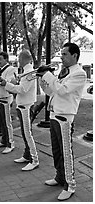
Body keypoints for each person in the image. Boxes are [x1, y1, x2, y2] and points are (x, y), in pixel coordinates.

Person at [37, 43, 87, 200]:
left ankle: (70, 184)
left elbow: (63, 90)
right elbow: (53, 92)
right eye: (61, 54)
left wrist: (47, 75)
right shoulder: (64, 72)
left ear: (75, 56)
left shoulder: (79, 73)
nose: (61, 57)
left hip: (65, 118)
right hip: (54, 114)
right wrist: (43, 83)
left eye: (64, 54)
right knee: (56, 150)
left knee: (66, 153)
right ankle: (60, 177)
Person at [0, 49, 39, 171]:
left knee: (28, 134)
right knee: (24, 133)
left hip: (26, 106)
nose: (18, 61)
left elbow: (22, 89)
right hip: (23, 105)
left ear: (22, 59)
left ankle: (34, 159)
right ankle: (27, 155)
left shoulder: (29, 72)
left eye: (19, 59)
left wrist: (6, 85)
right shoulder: (26, 72)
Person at [0, 51, 16, 154]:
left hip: (5, 98)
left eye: (0, 59)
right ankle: (4, 141)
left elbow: (8, 82)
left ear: (6, 59)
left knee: (7, 123)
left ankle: (10, 143)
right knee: (1, 122)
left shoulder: (11, 69)